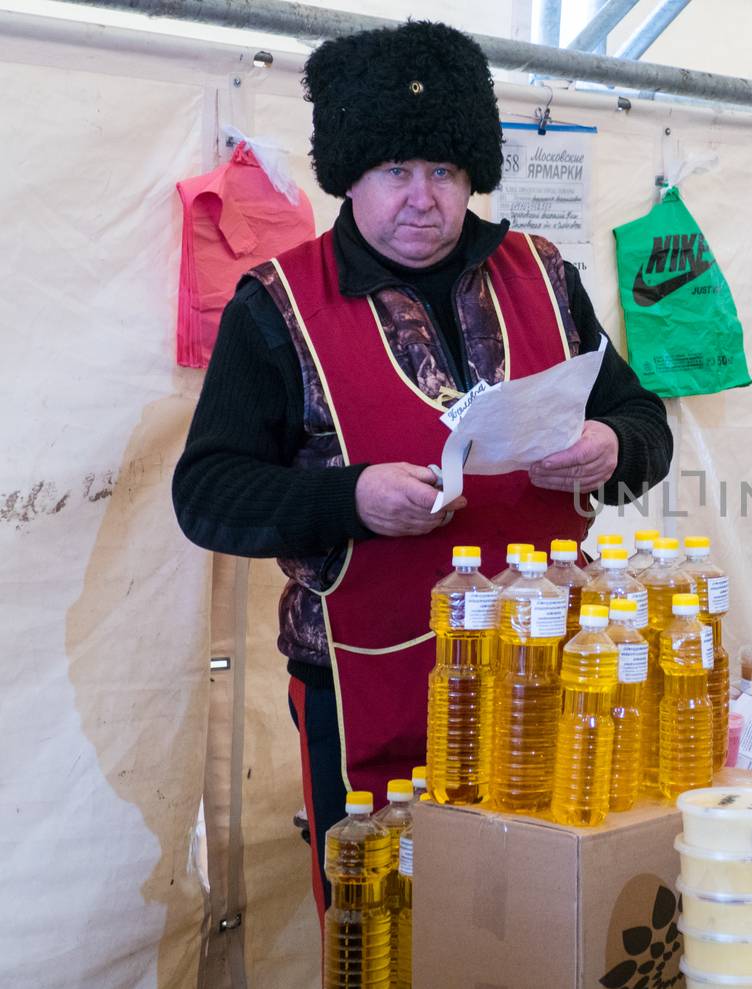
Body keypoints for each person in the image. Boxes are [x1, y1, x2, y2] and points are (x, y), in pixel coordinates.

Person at [171, 22, 672, 914]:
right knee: (393, 935)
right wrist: (349, 496)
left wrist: (614, 448)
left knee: (536, 919)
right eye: (395, 170)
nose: (421, 197)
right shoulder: (278, 309)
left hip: (542, 677)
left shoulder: (545, 277)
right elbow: (205, 493)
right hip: (364, 687)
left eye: (442, 170)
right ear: (350, 176)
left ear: (473, 173)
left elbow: (639, 421)